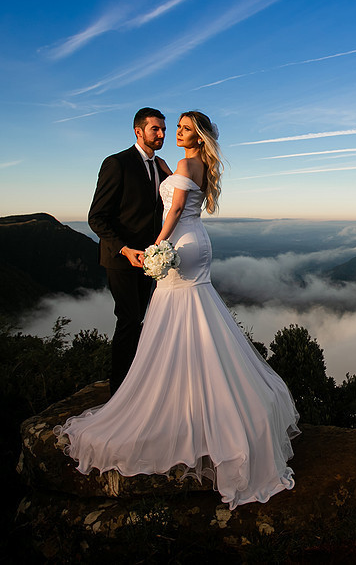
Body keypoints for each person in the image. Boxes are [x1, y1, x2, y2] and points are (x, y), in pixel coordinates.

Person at [57, 111, 300, 509]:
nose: (168, 133)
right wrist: (132, 248)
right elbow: (99, 216)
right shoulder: (140, 163)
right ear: (139, 131)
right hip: (165, 249)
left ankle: (157, 397)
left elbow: (172, 210)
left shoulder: (177, 165)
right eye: (161, 128)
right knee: (162, 318)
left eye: (178, 128)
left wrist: (157, 246)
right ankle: (141, 391)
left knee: (170, 315)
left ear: (197, 135)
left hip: (174, 244)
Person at [88, 108, 173, 395]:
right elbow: (96, 217)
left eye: (163, 129)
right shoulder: (117, 163)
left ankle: (137, 383)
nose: (161, 134)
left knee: (141, 322)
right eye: (155, 129)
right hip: (121, 259)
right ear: (138, 131)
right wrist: (125, 249)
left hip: (150, 260)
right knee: (128, 321)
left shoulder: (159, 166)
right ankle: (119, 391)